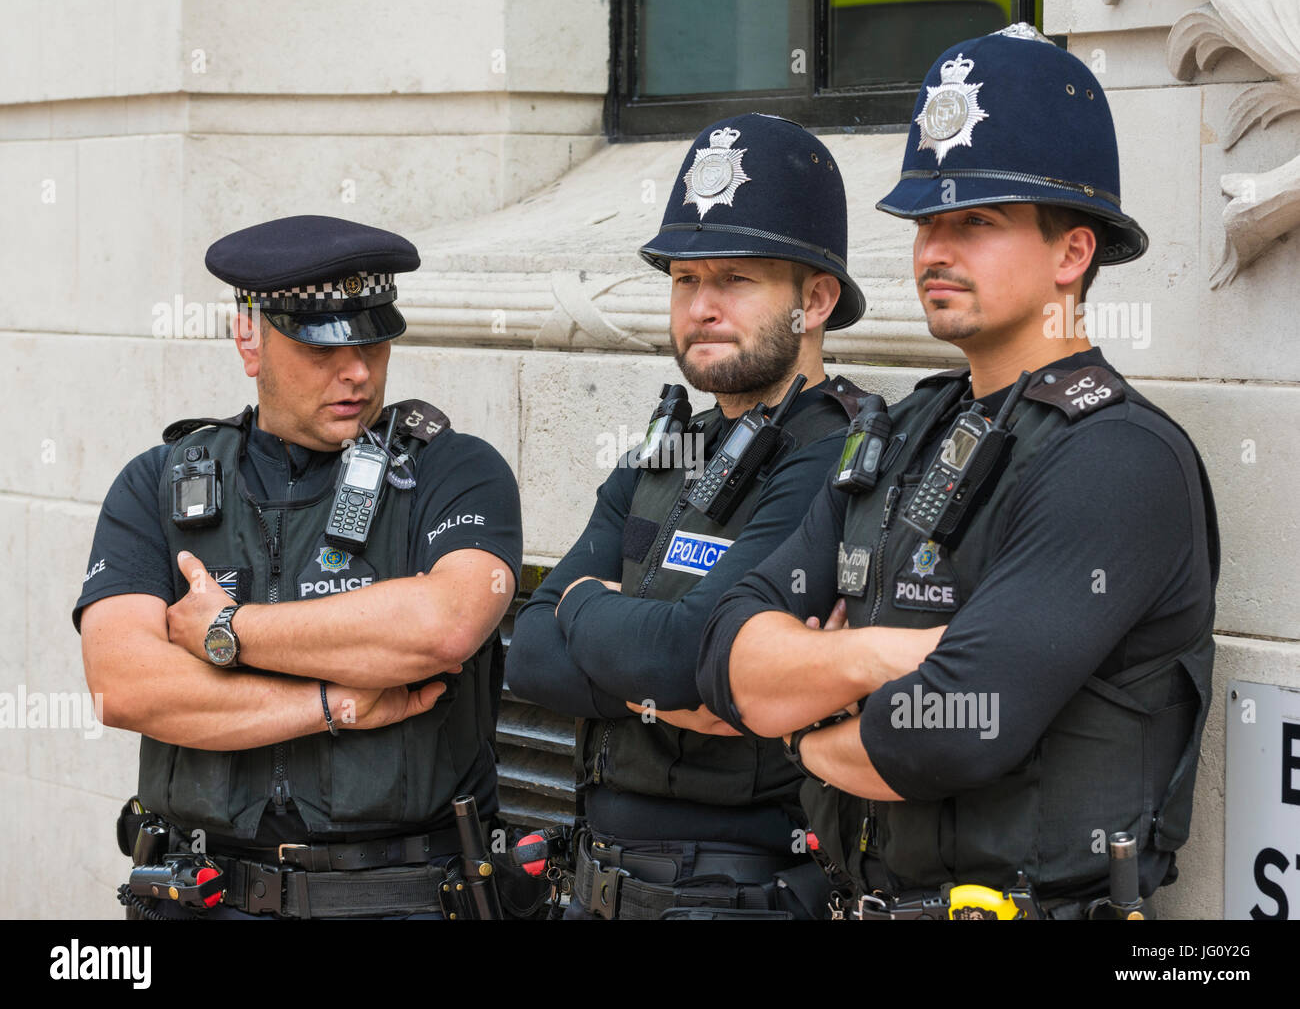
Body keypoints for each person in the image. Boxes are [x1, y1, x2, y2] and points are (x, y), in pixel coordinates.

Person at [697, 25, 1219, 920]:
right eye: (927, 222)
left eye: (976, 221)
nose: (935, 249)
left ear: (1072, 253)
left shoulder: (1118, 459)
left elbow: (952, 731)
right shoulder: (902, 430)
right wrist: (878, 656)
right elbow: (722, 656)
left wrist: (808, 714)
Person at [75, 214, 523, 919]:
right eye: (323, 350)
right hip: (198, 896)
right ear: (249, 337)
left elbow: (443, 625)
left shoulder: (455, 472)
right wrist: (332, 705)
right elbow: (124, 687)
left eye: (374, 343)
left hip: (394, 899)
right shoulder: (158, 484)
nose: (358, 372)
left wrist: (226, 631)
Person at [506, 113, 881, 919]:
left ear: (813, 300)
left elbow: (687, 655)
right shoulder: (672, 445)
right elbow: (531, 653)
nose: (702, 306)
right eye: (685, 279)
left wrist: (588, 612)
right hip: (600, 877)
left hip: (743, 882)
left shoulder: (835, 454)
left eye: (735, 280)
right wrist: (653, 680)